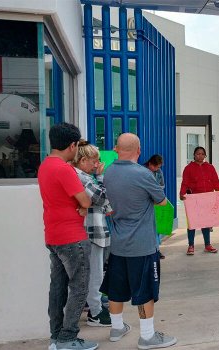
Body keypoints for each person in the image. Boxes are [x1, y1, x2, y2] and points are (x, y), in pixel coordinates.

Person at [101, 133, 177, 349]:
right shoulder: (143, 174)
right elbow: (162, 201)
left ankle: (116, 328)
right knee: (145, 291)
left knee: (116, 289)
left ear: (117, 149)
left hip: (118, 243)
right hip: (142, 245)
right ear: (139, 150)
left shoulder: (109, 172)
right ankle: (147, 336)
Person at [37, 123, 98, 350]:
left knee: (58, 287)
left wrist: (81, 206)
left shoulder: (44, 166)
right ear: (72, 145)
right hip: (72, 237)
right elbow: (85, 200)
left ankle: (56, 336)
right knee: (79, 288)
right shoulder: (64, 169)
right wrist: (83, 207)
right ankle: (68, 338)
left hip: (53, 235)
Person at [71, 140, 112, 327]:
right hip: (92, 231)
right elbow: (101, 197)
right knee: (95, 274)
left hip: (93, 229)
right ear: (82, 160)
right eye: (94, 161)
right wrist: (101, 177)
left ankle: (91, 304)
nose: (97, 165)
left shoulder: (84, 176)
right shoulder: (83, 178)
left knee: (93, 272)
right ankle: (96, 313)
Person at [180, 146, 219, 255]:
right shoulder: (188, 168)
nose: (200, 155)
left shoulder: (210, 167)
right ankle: (191, 246)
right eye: (198, 154)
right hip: (193, 199)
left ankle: (207, 245)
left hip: (207, 199)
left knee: (206, 223)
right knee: (192, 223)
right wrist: (182, 194)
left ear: (205, 156)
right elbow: (185, 182)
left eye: (202, 154)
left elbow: (216, 182)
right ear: (194, 155)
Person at [144, 154, 166, 259]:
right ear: (150, 164)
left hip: (155, 201)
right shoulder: (142, 171)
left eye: (159, 167)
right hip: (145, 202)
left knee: (156, 227)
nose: (157, 169)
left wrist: (156, 190)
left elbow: (162, 185)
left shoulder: (158, 172)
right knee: (147, 227)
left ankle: (157, 249)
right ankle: (149, 250)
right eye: (156, 167)